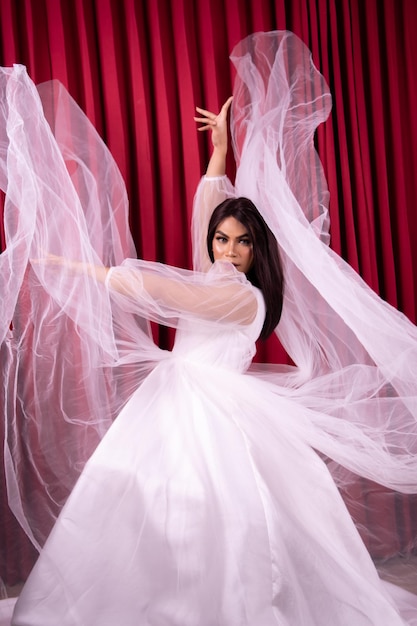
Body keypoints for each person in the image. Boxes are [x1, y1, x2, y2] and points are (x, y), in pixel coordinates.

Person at [1, 30, 417, 625]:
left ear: (257, 253)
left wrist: (77, 267)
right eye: (222, 240)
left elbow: (167, 291)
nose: (227, 250)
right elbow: (207, 208)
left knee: (217, 515)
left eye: (241, 243)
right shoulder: (216, 273)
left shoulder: (240, 298)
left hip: (213, 413)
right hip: (175, 397)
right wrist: (220, 152)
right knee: (140, 508)